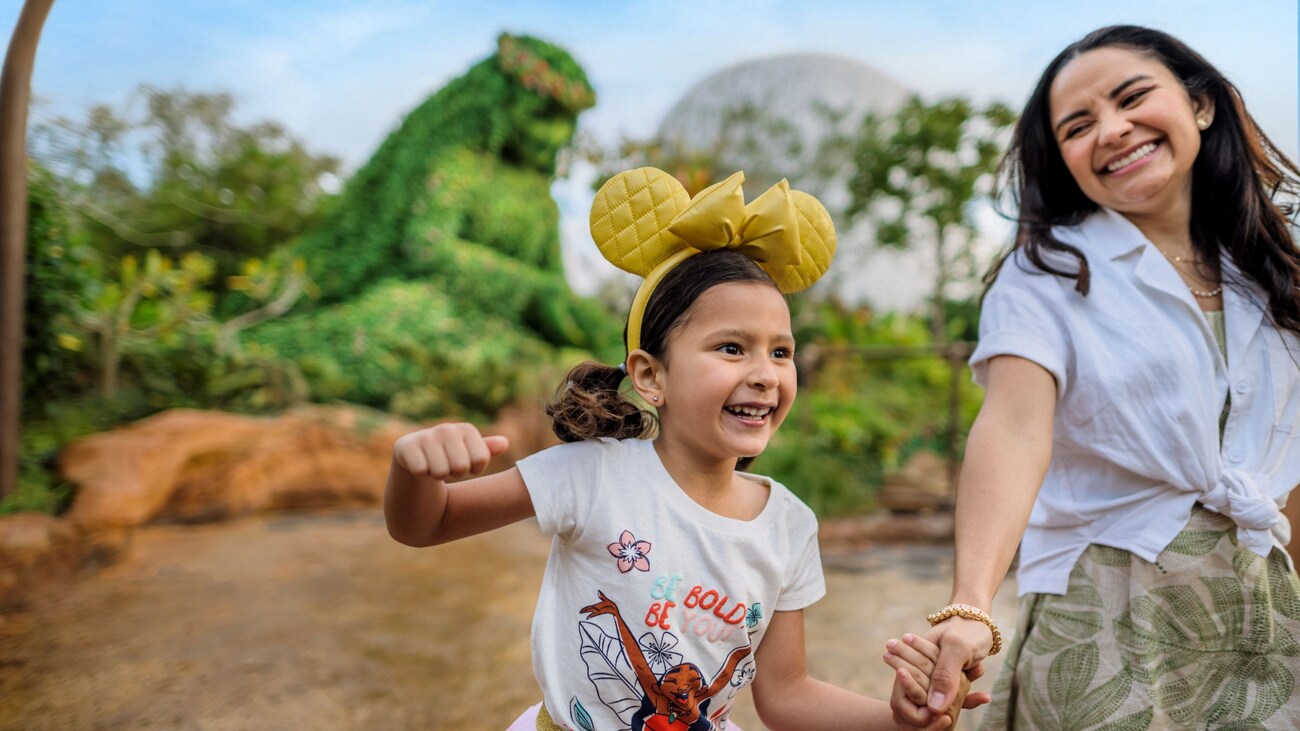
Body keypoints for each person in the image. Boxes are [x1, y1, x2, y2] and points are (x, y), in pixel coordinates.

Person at [385, 167, 987, 730]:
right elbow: (425, 523)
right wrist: (413, 470)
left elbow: (785, 694)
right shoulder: (590, 476)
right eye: (731, 348)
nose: (765, 374)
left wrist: (897, 721)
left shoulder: (789, 525)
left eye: (781, 351)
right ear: (650, 376)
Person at [887, 24, 1300, 729]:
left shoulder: (1272, 272)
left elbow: (1284, 478)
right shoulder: (1047, 270)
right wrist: (968, 605)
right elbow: (1015, 429)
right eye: (1078, 125)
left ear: (1201, 106)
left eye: (1133, 97)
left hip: (1264, 614)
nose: (1111, 129)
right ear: (1066, 160)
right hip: (1111, 609)